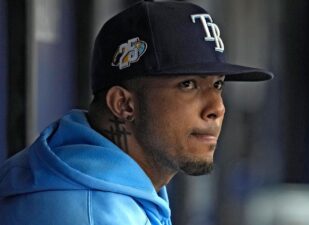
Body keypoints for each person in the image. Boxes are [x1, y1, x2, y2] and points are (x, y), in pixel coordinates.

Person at [0, 0, 273, 224]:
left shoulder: (80, 176)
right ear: (123, 104)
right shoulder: (95, 214)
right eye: (188, 85)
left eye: (217, 85)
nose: (217, 108)